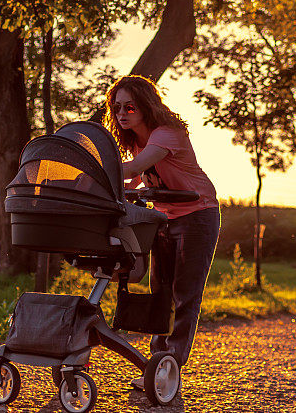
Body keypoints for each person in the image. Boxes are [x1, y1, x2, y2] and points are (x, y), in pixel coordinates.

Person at [104, 74, 220, 390]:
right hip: (165, 217)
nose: (122, 114)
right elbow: (141, 175)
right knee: (161, 291)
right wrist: (126, 184)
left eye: (129, 107)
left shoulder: (167, 134)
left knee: (185, 294)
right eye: (117, 108)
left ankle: (170, 366)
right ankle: (156, 363)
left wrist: (96, 169)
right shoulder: (137, 141)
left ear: (145, 105)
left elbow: (132, 168)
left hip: (198, 216)